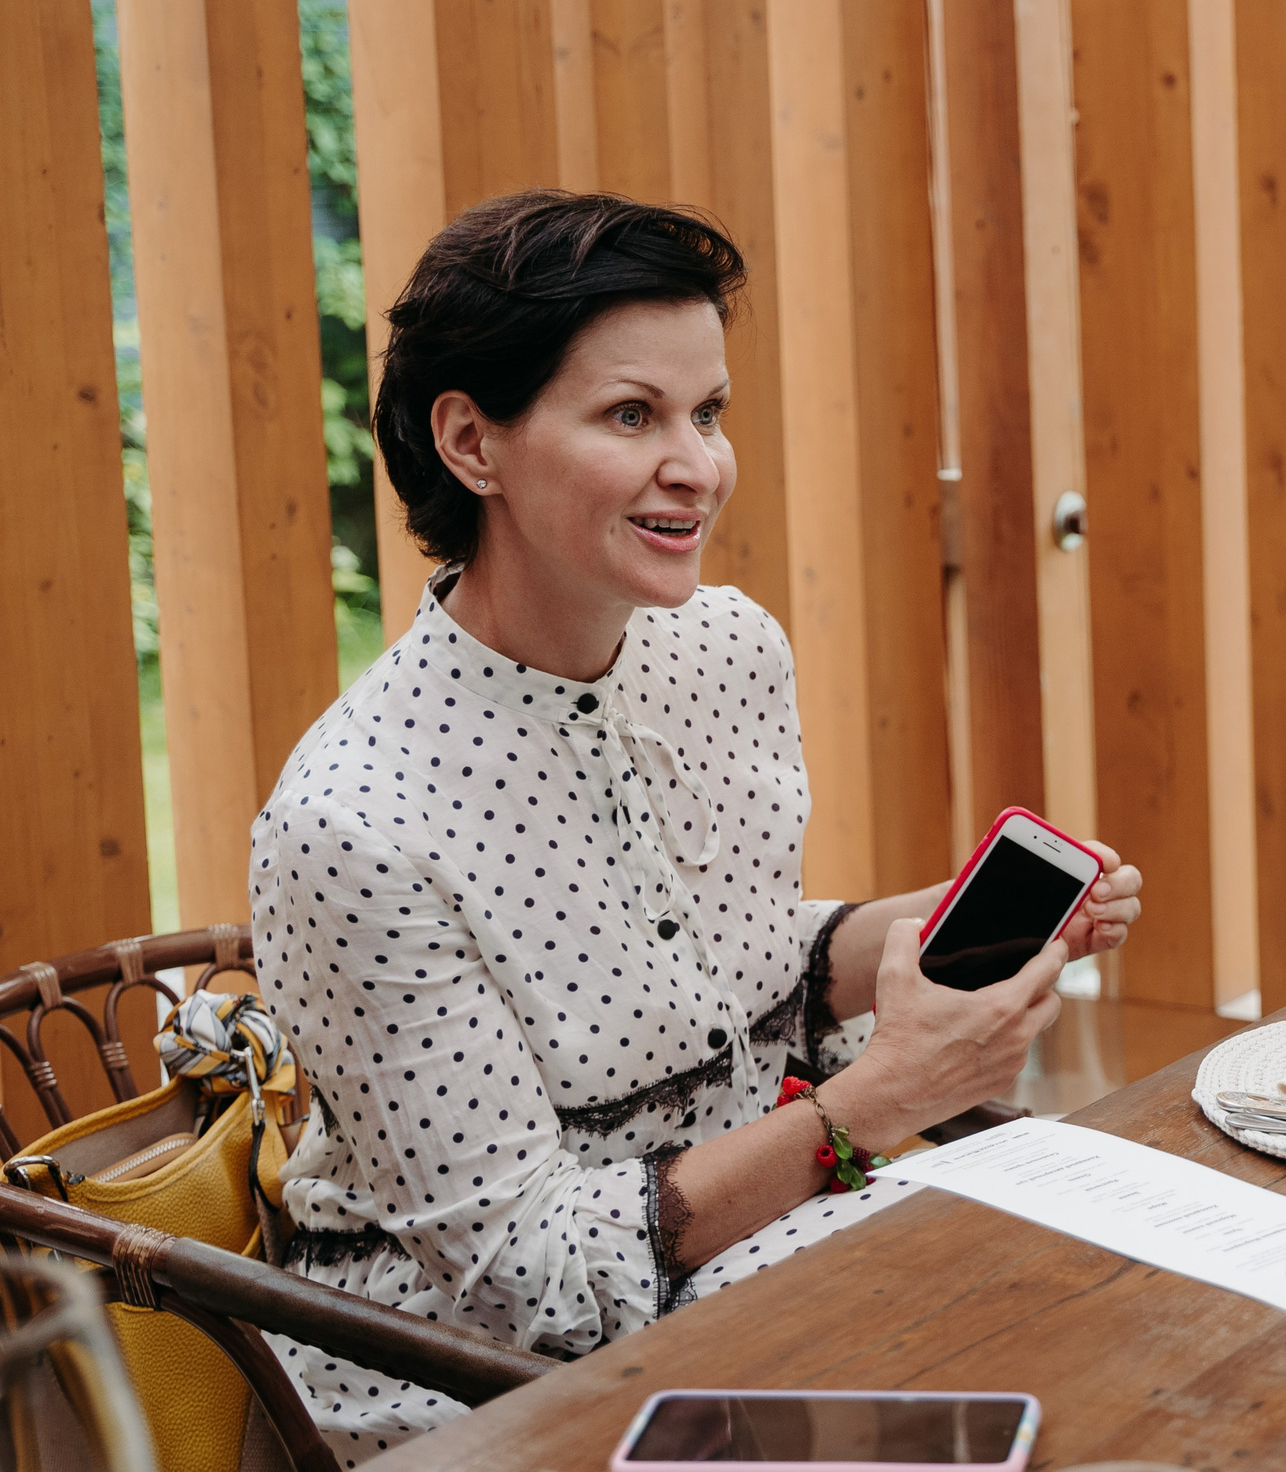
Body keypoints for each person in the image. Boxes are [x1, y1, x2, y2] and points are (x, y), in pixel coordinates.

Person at [248, 191, 1144, 1463]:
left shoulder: (721, 649)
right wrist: (877, 1104)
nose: (699, 464)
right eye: (633, 415)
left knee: (1134, 1327)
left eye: (707, 412)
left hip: (770, 1256)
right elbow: (526, 1278)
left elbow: (735, 961)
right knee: (1059, 1407)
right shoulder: (353, 827)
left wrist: (952, 925)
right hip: (480, 1389)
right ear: (471, 443)